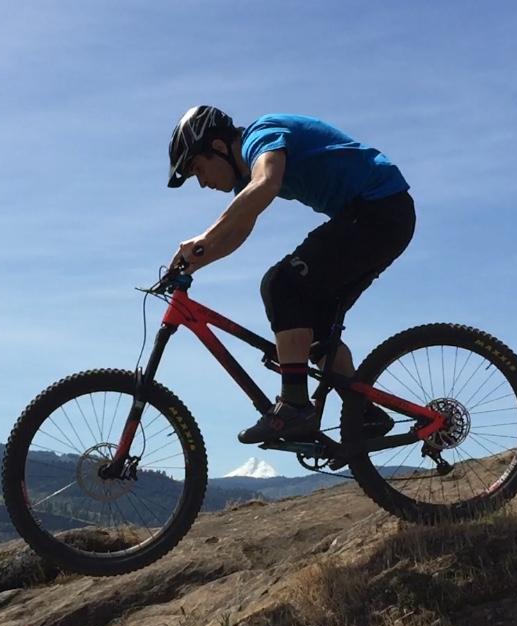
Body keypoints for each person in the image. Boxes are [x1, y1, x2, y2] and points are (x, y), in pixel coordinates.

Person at [166, 105, 416, 444]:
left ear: (220, 147)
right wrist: (195, 262)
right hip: (378, 216)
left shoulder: (261, 135)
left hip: (377, 210)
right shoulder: (247, 175)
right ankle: (364, 412)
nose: (202, 182)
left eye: (198, 169)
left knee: (281, 284)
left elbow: (267, 182)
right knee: (313, 333)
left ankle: (295, 407)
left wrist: (204, 239)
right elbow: (240, 228)